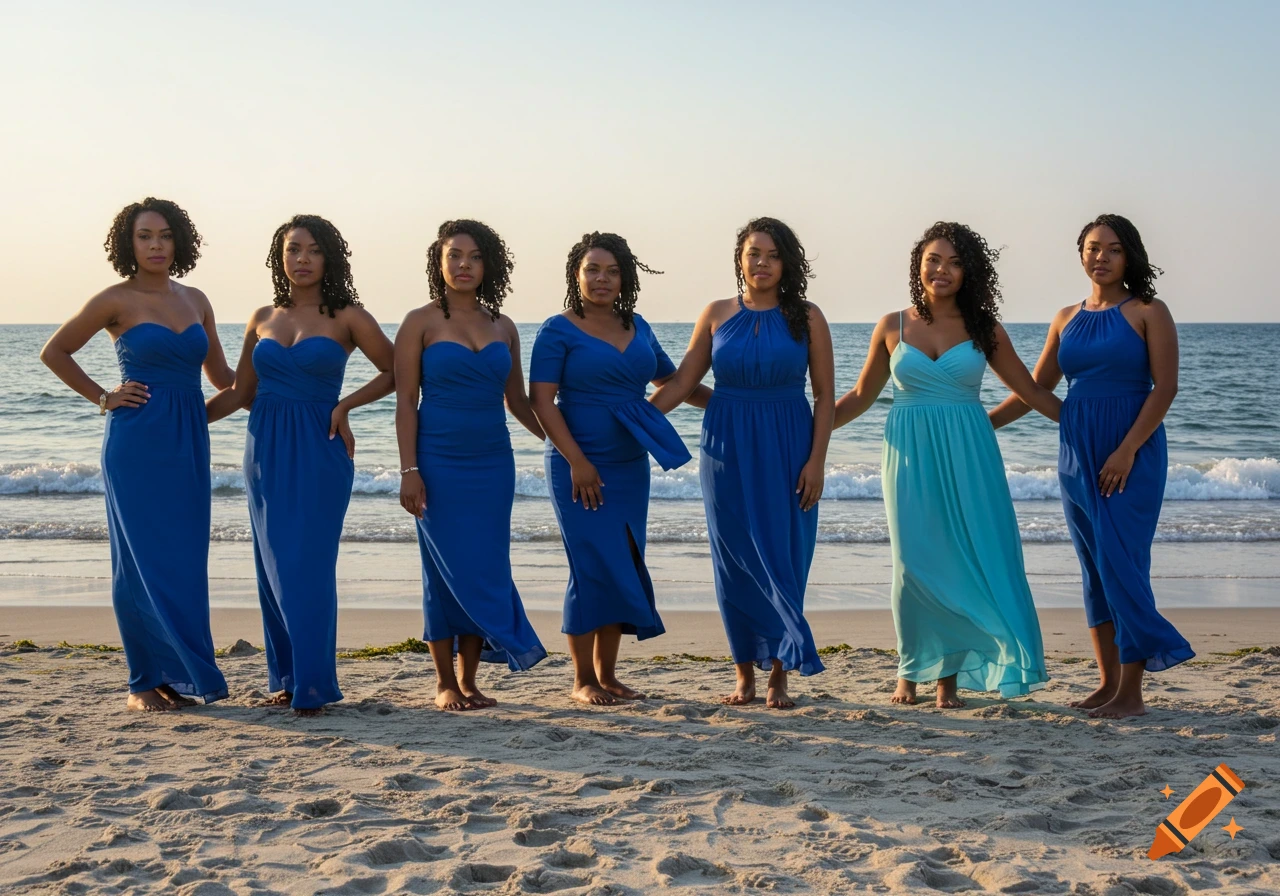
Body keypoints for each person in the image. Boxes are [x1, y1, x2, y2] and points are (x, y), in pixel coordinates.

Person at [834, 222, 1058, 708]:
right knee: (912, 565)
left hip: (970, 455)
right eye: (934, 259)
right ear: (919, 264)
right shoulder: (892, 325)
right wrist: (806, 433)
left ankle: (947, 681)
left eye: (955, 263)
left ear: (969, 272)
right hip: (909, 455)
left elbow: (1032, 392)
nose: (942, 270)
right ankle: (909, 670)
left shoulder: (984, 329)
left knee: (963, 561)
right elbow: (858, 397)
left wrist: (1092, 425)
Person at [990, 213, 1192, 718]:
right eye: (1093, 247)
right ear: (1080, 253)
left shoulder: (1149, 310)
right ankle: (1107, 684)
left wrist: (1126, 451)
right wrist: (979, 424)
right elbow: (1036, 390)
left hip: (1131, 450)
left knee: (1123, 564)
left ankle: (1132, 693)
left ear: (1130, 256)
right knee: (1094, 569)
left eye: (1113, 249)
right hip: (1077, 454)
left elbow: (1164, 388)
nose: (1101, 256)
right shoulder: (1065, 317)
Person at [40, 197, 232, 711]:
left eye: (165, 235)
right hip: (136, 442)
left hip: (188, 444)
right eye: (145, 236)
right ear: (129, 243)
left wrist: (283, 367)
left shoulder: (196, 300)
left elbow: (224, 380)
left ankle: (184, 673)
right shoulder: (114, 299)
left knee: (185, 559)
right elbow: (54, 351)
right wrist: (103, 397)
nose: (155, 245)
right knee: (138, 561)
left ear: (180, 242)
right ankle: (143, 681)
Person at [207, 214, 394, 715]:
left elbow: (396, 370)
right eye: (293, 249)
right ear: (280, 257)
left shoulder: (348, 315)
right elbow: (240, 393)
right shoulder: (262, 317)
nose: (302, 259)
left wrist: (345, 406)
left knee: (306, 566)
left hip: (320, 446)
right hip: (264, 449)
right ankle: (287, 678)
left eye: (312, 250)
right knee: (271, 568)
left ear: (328, 257)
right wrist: (183, 423)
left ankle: (313, 684)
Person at [650, 217, 833, 709]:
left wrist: (816, 461)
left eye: (772, 255)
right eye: (754, 253)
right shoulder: (715, 313)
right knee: (732, 558)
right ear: (739, 259)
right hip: (725, 445)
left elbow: (825, 395)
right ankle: (743, 673)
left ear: (786, 262)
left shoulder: (808, 317)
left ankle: (779, 671)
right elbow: (685, 380)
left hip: (788, 441)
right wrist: (638, 417)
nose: (762, 263)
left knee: (783, 552)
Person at [530, 232, 708, 706]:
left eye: (611, 271)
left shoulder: (640, 326)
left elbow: (674, 381)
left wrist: (730, 406)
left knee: (623, 558)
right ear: (576, 274)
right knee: (590, 563)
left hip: (630, 462)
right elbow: (541, 402)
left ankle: (608, 675)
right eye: (592, 269)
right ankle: (581, 679)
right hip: (576, 461)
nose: (602, 278)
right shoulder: (557, 330)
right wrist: (578, 462)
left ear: (625, 277)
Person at [396, 219, 547, 712]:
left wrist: (567, 447)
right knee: (442, 571)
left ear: (489, 265)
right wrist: (408, 470)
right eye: (454, 255)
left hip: (492, 464)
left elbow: (519, 403)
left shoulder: (503, 327)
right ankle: (444, 682)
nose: (464, 265)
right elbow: (404, 403)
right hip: (437, 462)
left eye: (475, 257)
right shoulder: (419, 322)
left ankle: (472, 679)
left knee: (485, 564)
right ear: (438, 263)